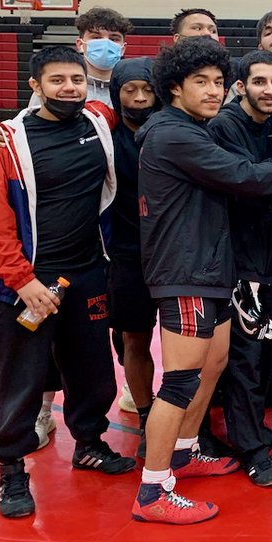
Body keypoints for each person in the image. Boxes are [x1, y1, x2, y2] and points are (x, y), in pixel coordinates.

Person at [132, 37, 272, 524]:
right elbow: (247, 177)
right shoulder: (173, 135)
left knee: (214, 364)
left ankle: (184, 451)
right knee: (180, 381)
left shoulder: (193, 128)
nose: (212, 90)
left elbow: (248, 170)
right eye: (200, 82)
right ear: (175, 87)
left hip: (212, 268)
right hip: (186, 273)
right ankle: (153, 489)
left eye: (218, 82)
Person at [0, 46, 134, 519]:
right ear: (35, 86)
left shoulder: (99, 121)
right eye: (57, 80)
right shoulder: (8, 142)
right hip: (26, 284)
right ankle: (11, 471)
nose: (69, 88)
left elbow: (144, 98)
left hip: (86, 274)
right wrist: (22, 281)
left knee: (93, 372)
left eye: (76, 80)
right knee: (20, 381)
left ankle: (89, 444)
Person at [207, 51, 272, 485]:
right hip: (238, 259)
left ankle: (253, 429)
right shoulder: (225, 125)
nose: (269, 90)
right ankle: (249, 448)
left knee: (266, 347)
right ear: (240, 85)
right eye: (260, 81)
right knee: (246, 355)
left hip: (266, 258)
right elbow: (250, 180)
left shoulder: (271, 123)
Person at [107, 58, 160, 455]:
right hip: (126, 255)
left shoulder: (174, 131)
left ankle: (187, 417)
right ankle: (146, 416)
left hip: (175, 253)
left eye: (147, 89)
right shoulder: (104, 137)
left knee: (188, 344)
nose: (140, 98)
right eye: (131, 90)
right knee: (133, 339)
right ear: (117, 94)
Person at [26, 7, 132, 108]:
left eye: (114, 39)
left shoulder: (132, 88)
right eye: (96, 37)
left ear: (123, 48)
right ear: (80, 44)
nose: (105, 43)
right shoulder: (54, 88)